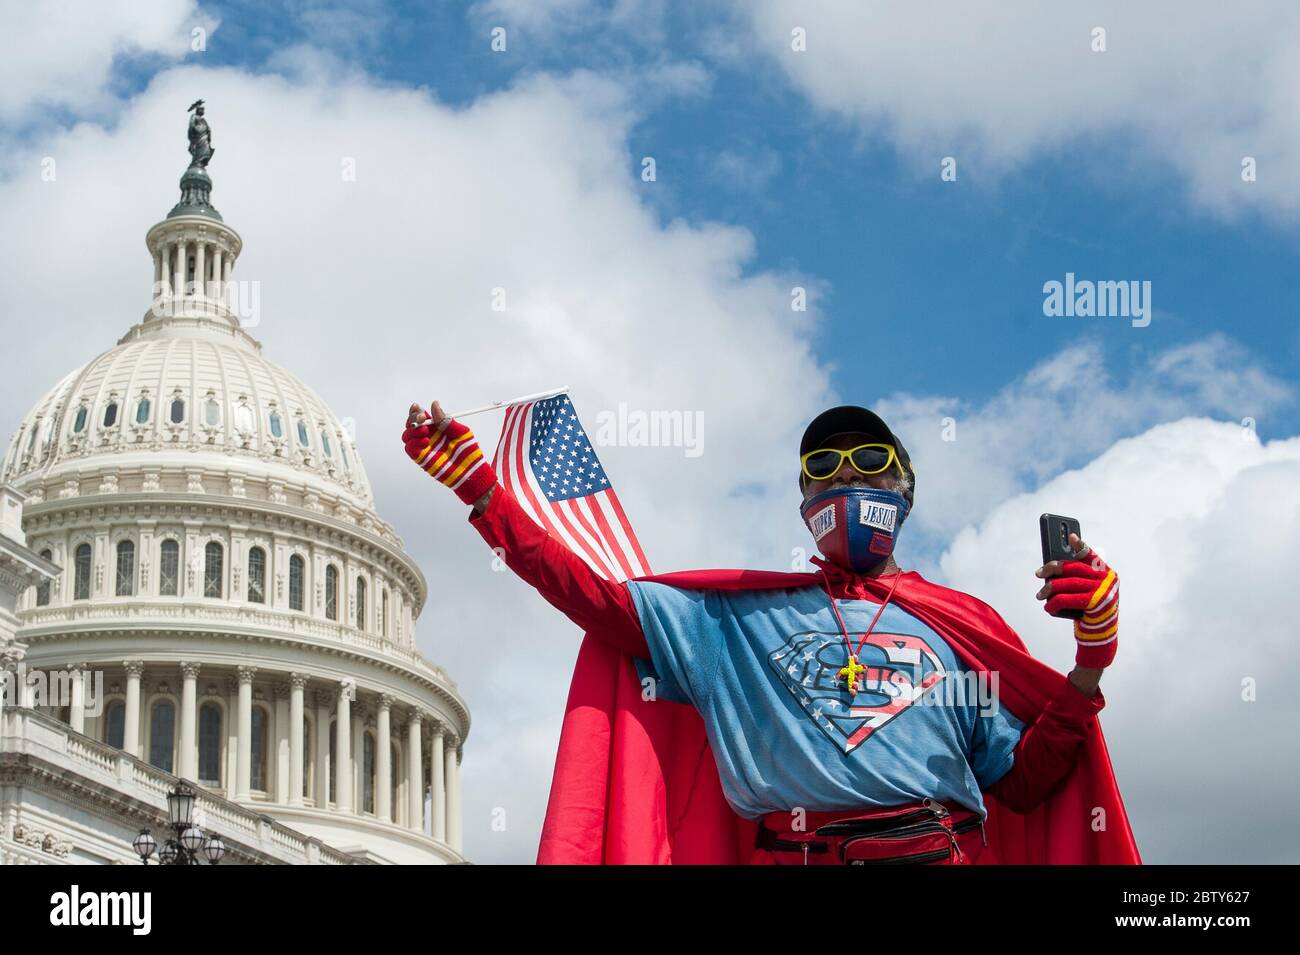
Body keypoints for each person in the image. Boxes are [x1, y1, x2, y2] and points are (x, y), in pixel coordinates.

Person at [402, 401, 1137, 865]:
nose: (846, 475)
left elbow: (1026, 783)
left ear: (904, 489)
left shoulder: (957, 628)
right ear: (803, 499)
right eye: (823, 465)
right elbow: (597, 597)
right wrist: (485, 493)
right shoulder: (734, 620)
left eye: (870, 461)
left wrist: (1090, 659)